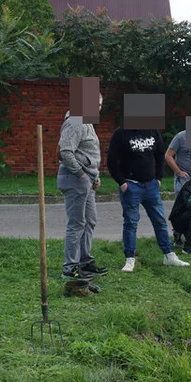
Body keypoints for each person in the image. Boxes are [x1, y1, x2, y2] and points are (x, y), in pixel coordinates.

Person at [108, 124, 190, 272]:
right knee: (131, 223)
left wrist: (158, 178)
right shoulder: (121, 133)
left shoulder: (153, 129)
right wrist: (122, 182)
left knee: (159, 221)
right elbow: (112, 160)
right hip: (131, 185)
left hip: (151, 185)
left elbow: (160, 155)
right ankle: (130, 258)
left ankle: (168, 255)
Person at [57, 93, 108, 280]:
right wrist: (83, 175)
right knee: (77, 223)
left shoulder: (87, 122)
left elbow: (88, 153)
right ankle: (70, 268)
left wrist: (95, 175)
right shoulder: (75, 121)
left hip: (87, 180)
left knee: (90, 220)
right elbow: (65, 152)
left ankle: (85, 261)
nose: (98, 108)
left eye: (100, 104)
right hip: (74, 179)